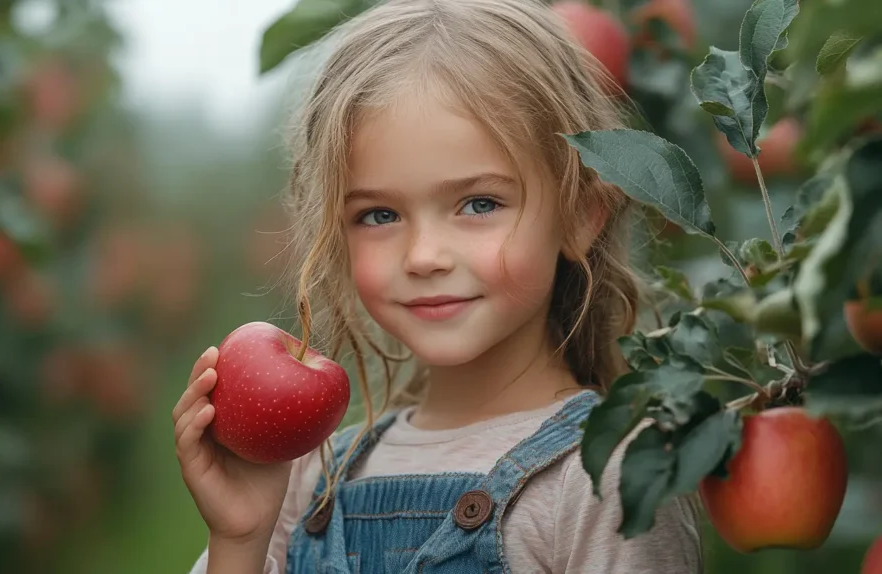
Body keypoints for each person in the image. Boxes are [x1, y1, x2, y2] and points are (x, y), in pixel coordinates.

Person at [172, 0, 704, 572]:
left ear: (580, 215)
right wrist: (240, 538)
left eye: (479, 204)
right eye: (378, 215)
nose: (423, 256)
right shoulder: (309, 479)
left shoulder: (610, 471)